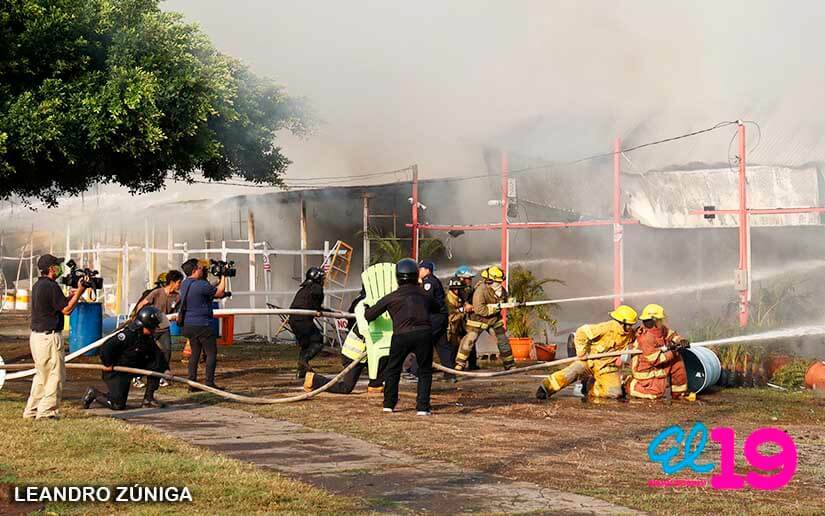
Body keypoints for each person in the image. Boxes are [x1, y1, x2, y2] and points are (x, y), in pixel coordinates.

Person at [364, 258, 438, 415]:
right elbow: (437, 308)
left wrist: (366, 307)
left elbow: (369, 315)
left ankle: (389, 405)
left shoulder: (392, 296)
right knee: (425, 371)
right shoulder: (424, 295)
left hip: (401, 335)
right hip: (423, 333)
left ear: (398, 277)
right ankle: (422, 408)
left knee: (393, 369)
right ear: (416, 275)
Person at [23, 254, 88, 420]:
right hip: (49, 338)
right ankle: (47, 412)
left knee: (42, 376)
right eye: (57, 265)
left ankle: (32, 410)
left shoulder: (39, 285)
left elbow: (57, 305)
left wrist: (71, 296)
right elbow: (66, 310)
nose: (60, 268)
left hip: (37, 337)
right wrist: (80, 292)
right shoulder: (51, 286)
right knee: (55, 376)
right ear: (52, 269)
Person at [536, 305, 638, 400]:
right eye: (629, 325)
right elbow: (581, 332)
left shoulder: (628, 334)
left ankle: (589, 387)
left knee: (615, 393)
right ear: (622, 323)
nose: (631, 328)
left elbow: (637, 338)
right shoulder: (605, 328)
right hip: (589, 362)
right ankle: (545, 388)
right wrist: (581, 353)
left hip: (606, 367)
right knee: (570, 373)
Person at [81, 306, 172, 410]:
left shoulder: (147, 337)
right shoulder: (127, 335)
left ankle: (148, 399)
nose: (155, 329)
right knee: (117, 405)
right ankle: (93, 393)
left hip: (132, 366)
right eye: (153, 327)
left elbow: (157, 354)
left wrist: (165, 369)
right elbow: (106, 348)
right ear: (145, 325)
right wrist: (108, 363)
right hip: (116, 371)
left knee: (155, 364)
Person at [178, 258, 228, 389]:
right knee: (211, 353)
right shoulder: (201, 285)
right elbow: (220, 292)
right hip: (202, 325)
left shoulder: (185, 284)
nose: (203, 270)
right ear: (195, 270)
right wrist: (224, 276)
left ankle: (192, 383)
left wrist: (217, 280)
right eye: (201, 268)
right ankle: (209, 383)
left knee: (195, 354)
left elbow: (207, 289)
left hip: (189, 324)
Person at [455, 266, 514, 371]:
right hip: (478, 320)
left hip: (493, 320)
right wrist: (495, 308)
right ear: (489, 281)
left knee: (503, 341)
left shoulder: (501, 290)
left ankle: (509, 364)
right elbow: (480, 309)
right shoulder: (480, 291)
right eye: (497, 282)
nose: (499, 284)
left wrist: (510, 302)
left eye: (500, 282)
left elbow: (505, 299)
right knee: (469, 341)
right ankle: (460, 364)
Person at [132, 270, 184, 388]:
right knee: (144, 352)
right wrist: (137, 318)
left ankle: (162, 376)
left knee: (166, 351)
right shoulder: (157, 293)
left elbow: (177, 312)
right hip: (151, 329)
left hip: (164, 328)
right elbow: (142, 304)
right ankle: (137, 377)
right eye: (179, 282)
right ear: (172, 282)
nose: (180, 285)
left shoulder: (177, 297)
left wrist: (177, 317)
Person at [628, 304, 691, 400]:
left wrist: (681, 340)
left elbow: (672, 335)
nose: (662, 321)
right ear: (655, 321)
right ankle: (629, 385)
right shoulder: (645, 337)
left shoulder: (659, 330)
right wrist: (673, 352)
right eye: (660, 319)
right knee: (657, 393)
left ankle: (679, 394)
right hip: (645, 369)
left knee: (677, 362)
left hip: (657, 362)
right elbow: (656, 360)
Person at [303, 326, 388, 394]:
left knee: (383, 360)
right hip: (353, 355)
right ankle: (314, 379)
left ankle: (375, 385)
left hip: (368, 355)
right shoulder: (367, 315)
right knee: (346, 388)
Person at [288, 266, 330, 379]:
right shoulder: (316, 288)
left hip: (293, 319)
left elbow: (311, 305)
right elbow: (316, 307)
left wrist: (328, 311)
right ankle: (304, 361)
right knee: (317, 341)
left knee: (306, 344)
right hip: (302, 319)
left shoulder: (304, 289)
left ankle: (302, 371)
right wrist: (319, 311)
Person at [415, 261, 452, 380]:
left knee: (423, 341)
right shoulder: (432, 281)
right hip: (440, 317)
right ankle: (450, 374)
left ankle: (415, 371)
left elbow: (427, 299)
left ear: (427, 270)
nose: (419, 271)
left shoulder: (429, 282)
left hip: (435, 317)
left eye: (420, 269)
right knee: (442, 345)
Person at [454, 265, 479, 370]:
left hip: (466, 319)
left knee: (470, 339)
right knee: (458, 341)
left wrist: (476, 289)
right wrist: (465, 306)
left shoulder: (467, 289)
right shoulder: (456, 289)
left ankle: (472, 364)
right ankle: (457, 364)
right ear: (461, 278)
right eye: (468, 278)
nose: (470, 280)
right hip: (457, 320)